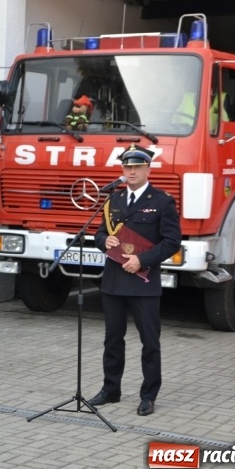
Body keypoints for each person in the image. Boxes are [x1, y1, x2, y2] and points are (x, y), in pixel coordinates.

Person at [89, 144, 181, 416]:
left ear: (147, 169)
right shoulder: (113, 200)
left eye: (137, 166)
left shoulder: (162, 201)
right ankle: (110, 390)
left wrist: (143, 260)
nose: (131, 171)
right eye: (127, 166)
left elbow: (172, 242)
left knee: (150, 341)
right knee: (112, 340)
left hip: (143, 281)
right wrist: (106, 240)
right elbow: (98, 235)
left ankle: (148, 395)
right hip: (115, 280)